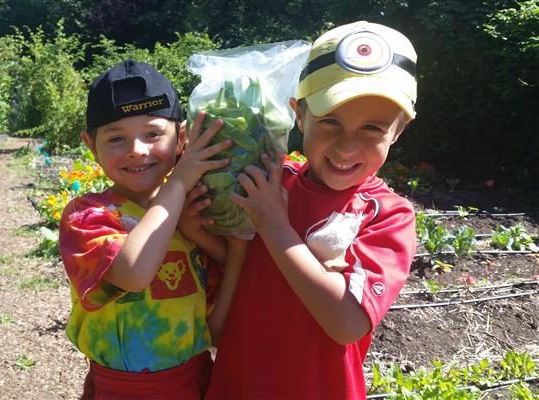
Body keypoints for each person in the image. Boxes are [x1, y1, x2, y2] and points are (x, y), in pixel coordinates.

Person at [206, 21, 419, 399]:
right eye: (330, 122)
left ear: (398, 132)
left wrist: (274, 225)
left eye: (372, 128)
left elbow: (347, 323)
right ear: (299, 115)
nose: (346, 146)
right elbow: (233, 258)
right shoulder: (267, 180)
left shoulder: (386, 215)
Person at [58, 60, 234, 399]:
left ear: (181, 138)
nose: (137, 150)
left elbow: (230, 288)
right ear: (91, 146)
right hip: (122, 389)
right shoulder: (87, 215)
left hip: (197, 379)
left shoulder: (194, 211)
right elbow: (133, 273)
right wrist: (179, 183)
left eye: (153, 134)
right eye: (117, 138)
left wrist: (197, 235)